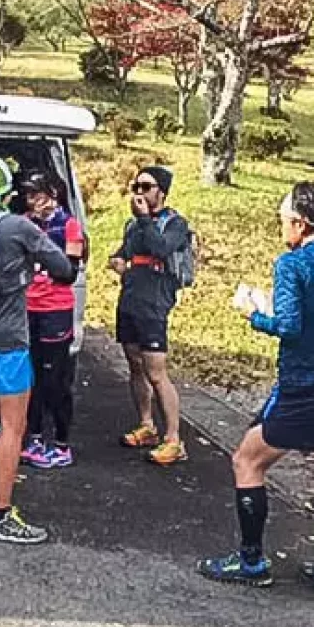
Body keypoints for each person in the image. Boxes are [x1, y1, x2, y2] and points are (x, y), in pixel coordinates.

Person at [199, 183, 314, 598]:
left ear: (299, 222)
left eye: (284, 220)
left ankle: (252, 560)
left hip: (303, 385)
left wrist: (254, 313)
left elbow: (290, 327)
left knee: (247, 460)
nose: (282, 227)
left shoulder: (293, 265)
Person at [0, 157, 78, 544]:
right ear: (7, 192)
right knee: (13, 424)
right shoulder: (18, 226)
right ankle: (2, 514)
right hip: (9, 338)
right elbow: (64, 268)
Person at [109, 166, 192, 466]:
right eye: (136, 186)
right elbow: (123, 251)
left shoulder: (175, 224)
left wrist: (145, 219)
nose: (140, 192)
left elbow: (161, 248)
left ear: (162, 192)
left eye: (146, 186)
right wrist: (117, 261)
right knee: (134, 364)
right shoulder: (133, 225)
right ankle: (147, 425)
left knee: (156, 371)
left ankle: (174, 439)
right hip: (130, 299)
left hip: (155, 303)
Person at [20, 170, 86, 470]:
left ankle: (61, 443)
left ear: (52, 195)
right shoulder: (23, 223)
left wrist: (44, 258)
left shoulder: (69, 226)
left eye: (37, 194)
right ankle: (33, 438)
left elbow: (69, 271)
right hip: (26, 308)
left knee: (55, 380)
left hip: (55, 309)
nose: (32, 201)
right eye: (28, 195)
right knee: (30, 377)